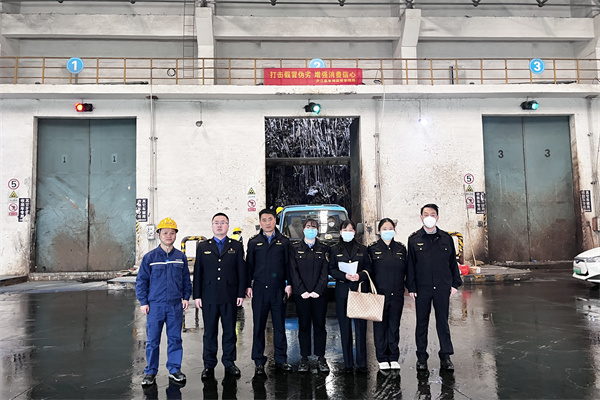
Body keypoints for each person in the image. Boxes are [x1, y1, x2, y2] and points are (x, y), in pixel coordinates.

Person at [136, 217, 191, 387]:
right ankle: (150, 372)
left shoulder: (180, 257)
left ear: (176, 235)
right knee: (153, 340)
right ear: (159, 234)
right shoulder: (150, 257)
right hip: (155, 305)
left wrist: (186, 297)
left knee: (175, 339)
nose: (168, 235)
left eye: (172, 233)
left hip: (175, 305)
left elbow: (186, 280)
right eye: (165, 232)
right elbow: (141, 281)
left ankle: (174, 369)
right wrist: (143, 302)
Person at [406, 203, 462, 371]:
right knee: (421, 323)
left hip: (442, 287)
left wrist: (455, 283)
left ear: (437, 217)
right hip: (422, 288)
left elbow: (452, 263)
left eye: (432, 214)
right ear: (421, 217)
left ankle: (445, 356)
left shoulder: (446, 238)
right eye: (426, 214)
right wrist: (411, 287)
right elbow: (410, 265)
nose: (429, 217)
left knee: (443, 322)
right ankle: (421, 357)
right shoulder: (414, 239)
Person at [193, 213, 246, 380]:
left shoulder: (236, 246)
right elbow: (198, 271)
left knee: (230, 331)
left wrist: (241, 293)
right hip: (209, 295)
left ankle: (229, 362)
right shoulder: (203, 246)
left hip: (229, 295)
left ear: (228, 226)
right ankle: (209, 365)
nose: (219, 225)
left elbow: (241, 271)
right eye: (216, 223)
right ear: (212, 226)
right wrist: (197, 295)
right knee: (209, 332)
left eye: (223, 222)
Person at [246, 208, 293, 375]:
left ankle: (281, 359)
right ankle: (259, 361)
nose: (267, 223)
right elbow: (249, 266)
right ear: (260, 222)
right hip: (259, 289)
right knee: (258, 326)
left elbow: (288, 265)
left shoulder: (284, 241)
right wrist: (248, 285)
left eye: (270, 219)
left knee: (279, 326)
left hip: (278, 288)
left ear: (275, 221)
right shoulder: (254, 242)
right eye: (264, 220)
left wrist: (289, 283)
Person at [328, 219, 372, 373]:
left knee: (361, 328)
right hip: (342, 291)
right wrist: (344, 276)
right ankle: (348, 364)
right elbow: (331, 269)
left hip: (359, 290)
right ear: (340, 232)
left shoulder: (363, 249)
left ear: (355, 232)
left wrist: (360, 275)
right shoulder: (334, 249)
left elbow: (369, 268)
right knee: (345, 328)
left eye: (351, 230)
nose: (348, 233)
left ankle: (362, 363)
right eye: (345, 230)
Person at [289, 218, 330, 373]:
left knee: (320, 326)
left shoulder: (324, 248)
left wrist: (318, 290)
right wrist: (302, 290)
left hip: (320, 295)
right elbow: (293, 271)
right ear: (303, 229)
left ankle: (321, 357)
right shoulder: (295, 248)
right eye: (308, 226)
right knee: (304, 326)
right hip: (302, 295)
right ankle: (304, 358)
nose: (311, 229)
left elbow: (325, 272)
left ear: (317, 230)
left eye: (313, 227)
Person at [368, 218, 407, 371]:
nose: (387, 231)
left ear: (394, 230)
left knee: (394, 325)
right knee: (380, 327)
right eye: (384, 228)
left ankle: (393, 357)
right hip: (379, 294)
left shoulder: (401, 248)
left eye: (390, 228)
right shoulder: (372, 249)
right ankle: (382, 357)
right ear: (379, 231)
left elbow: (407, 270)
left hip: (397, 294)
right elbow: (368, 272)